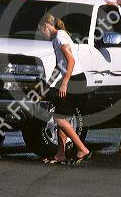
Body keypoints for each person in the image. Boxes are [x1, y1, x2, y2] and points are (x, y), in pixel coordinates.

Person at [38, 14, 91, 164]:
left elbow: (71, 61)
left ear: (46, 26)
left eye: (42, 30)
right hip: (73, 79)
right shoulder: (56, 39)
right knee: (62, 116)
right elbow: (59, 64)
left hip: (75, 80)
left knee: (59, 118)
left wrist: (65, 82)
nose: (42, 34)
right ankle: (61, 154)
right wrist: (48, 83)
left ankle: (82, 149)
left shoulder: (60, 36)